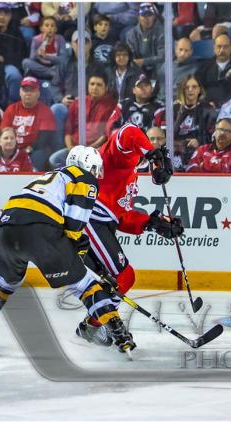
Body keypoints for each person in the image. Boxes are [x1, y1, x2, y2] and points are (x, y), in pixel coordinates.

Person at [0, 146, 137, 356]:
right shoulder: (84, 178)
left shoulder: (50, 176)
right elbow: (74, 227)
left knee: (5, 281)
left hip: (6, 228)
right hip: (40, 230)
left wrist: (79, 256)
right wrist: (82, 261)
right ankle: (119, 334)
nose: (97, 175)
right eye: (96, 169)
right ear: (89, 165)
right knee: (84, 284)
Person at [77, 124, 183, 346]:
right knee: (124, 277)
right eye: (149, 140)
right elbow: (129, 130)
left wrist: (154, 223)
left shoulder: (133, 172)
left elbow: (121, 217)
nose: (151, 144)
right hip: (91, 220)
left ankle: (94, 324)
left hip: (102, 223)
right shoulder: (119, 156)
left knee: (123, 279)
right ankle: (97, 324)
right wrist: (152, 153)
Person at [50, 73, 117, 168]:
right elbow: (68, 131)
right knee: (54, 160)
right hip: (74, 149)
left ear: (106, 88)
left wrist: (88, 150)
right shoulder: (78, 102)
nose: (95, 87)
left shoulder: (111, 106)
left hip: (96, 150)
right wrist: (71, 149)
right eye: (92, 84)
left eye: (99, 85)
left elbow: (105, 136)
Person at [153, 75, 217, 168]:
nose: (190, 90)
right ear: (182, 90)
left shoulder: (208, 111)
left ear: (200, 89)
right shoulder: (168, 111)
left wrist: (199, 141)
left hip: (198, 154)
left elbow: (214, 137)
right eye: (187, 87)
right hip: (171, 154)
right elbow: (161, 136)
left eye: (194, 87)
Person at [0, 76, 57, 171]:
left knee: (40, 154)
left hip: (34, 150)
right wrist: (14, 150)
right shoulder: (11, 109)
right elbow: (4, 132)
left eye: (32, 90)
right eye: (25, 90)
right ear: (20, 92)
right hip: (12, 148)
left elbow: (44, 139)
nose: (28, 93)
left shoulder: (45, 110)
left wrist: (27, 149)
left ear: (38, 93)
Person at [195, 33, 231, 108]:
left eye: (225, 47)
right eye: (219, 47)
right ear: (214, 48)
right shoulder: (204, 67)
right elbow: (196, 88)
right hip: (208, 107)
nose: (222, 50)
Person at [126, 2, 165, 79]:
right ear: (138, 17)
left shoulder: (162, 32)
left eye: (149, 15)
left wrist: (144, 61)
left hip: (158, 67)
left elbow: (163, 56)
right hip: (139, 68)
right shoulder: (131, 34)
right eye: (144, 15)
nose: (147, 19)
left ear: (154, 17)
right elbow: (130, 55)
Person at [22, 16, 67, 80]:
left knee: (65, 64)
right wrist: (43, 42)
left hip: (54, 66)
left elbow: (62, 59)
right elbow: (32, 58)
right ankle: (52, 74)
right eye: (47, 25)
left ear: (56, 29)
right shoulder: (36, 39)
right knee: (25, 62)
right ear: (41, 28)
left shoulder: (60, 39)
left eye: (52, 26)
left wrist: (46, 56)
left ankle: (49, 74)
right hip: (40, 66)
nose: (49, 28)